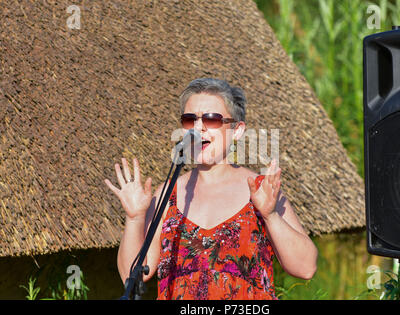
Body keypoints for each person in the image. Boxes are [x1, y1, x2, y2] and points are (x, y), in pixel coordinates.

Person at [105, 78, 317, 300]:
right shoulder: (169, 194)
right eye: (189, 120)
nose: (198, 127)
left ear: (237, 130)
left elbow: (306, 267)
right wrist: (135, 218)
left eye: (212, 119)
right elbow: (133, 276)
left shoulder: (262, 190)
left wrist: (271, 216)